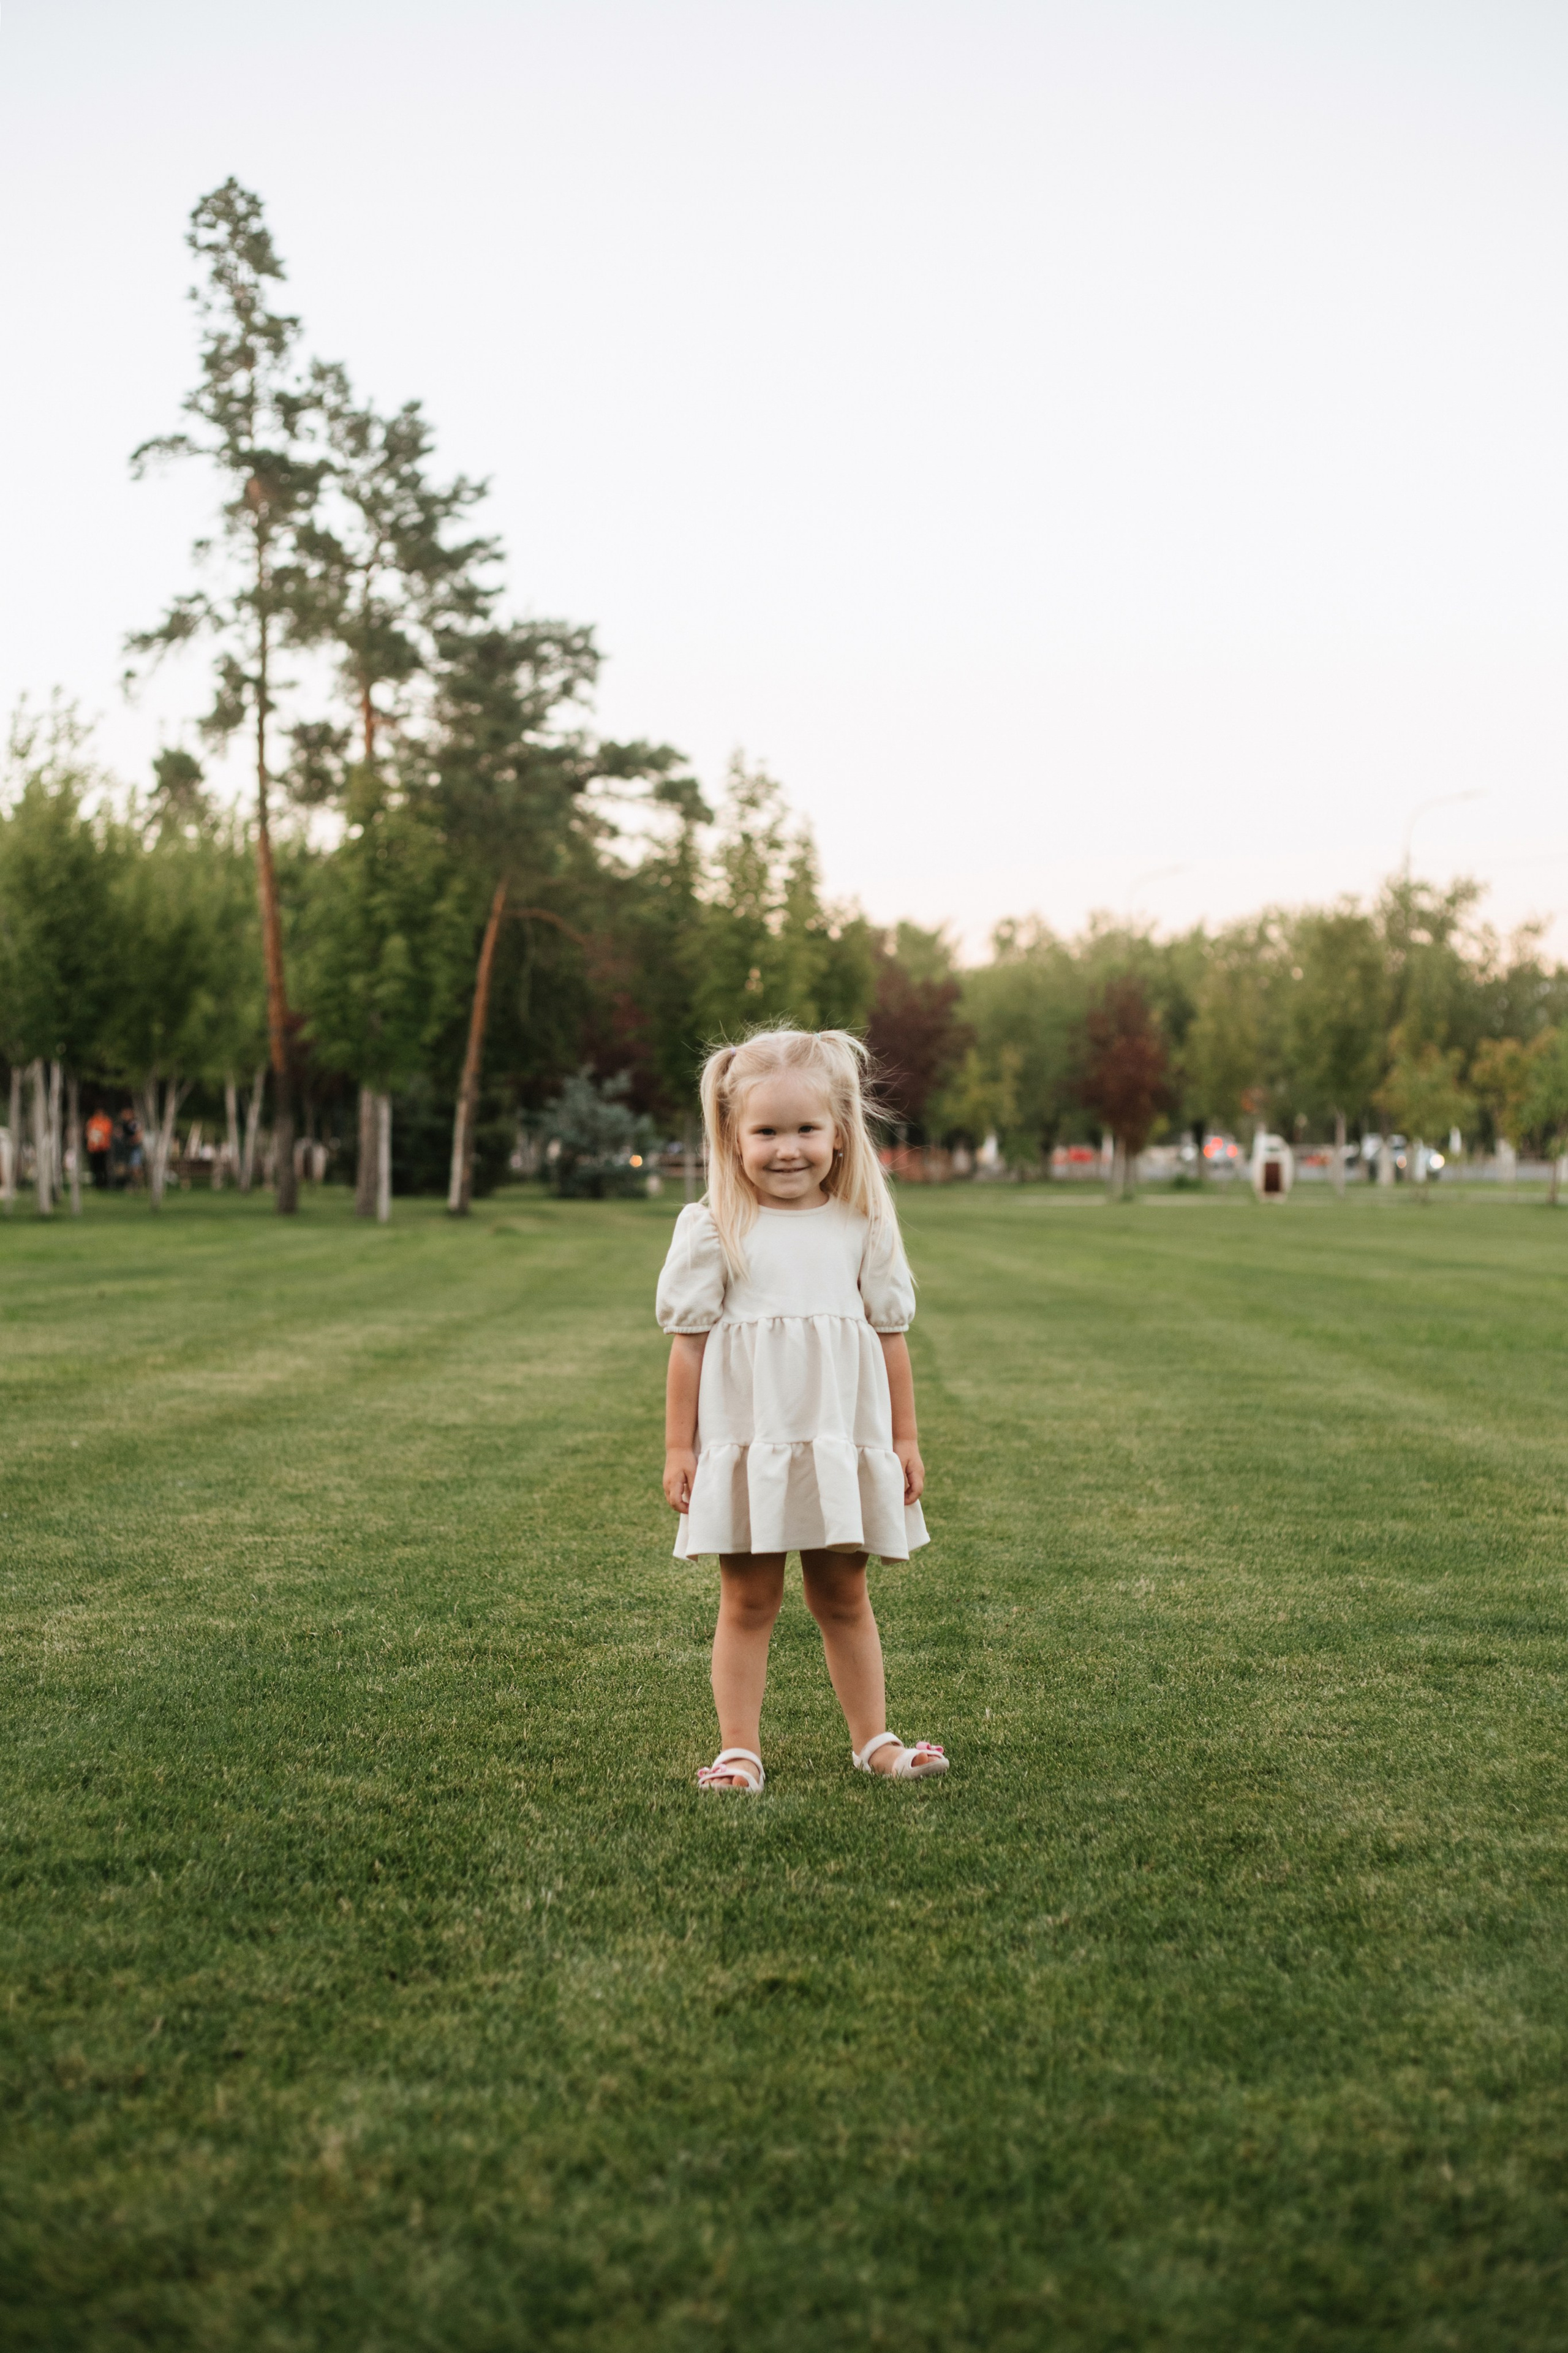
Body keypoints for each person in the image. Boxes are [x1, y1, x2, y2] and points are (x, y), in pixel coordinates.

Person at [657, 1026, 949, 1792]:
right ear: (732, 1135)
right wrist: (679, 1451)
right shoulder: (715, 1227)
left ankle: (874, 1740)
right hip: (750, 1442)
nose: (788, 1149)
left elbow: (890, 1341)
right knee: (749, 1598)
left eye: (806, 1130)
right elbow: (687, 1347)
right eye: (767, 1131)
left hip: (837, 1444)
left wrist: (903, 1439)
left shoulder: (863, 1226)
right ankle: (739, 1751)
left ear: (840, 1134)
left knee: (843, 1594)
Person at [85, 1108, 113, 1190]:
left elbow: (107, 1133)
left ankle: (105, 1183)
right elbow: (89, 1132)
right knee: (95, 1166)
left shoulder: (106, 1122)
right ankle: (97, 1184)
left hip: (103, 1148)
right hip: (94, 1148)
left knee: (103, 1166)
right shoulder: (92, 1121)